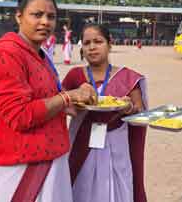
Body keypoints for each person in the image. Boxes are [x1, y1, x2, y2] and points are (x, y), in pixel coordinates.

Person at [0, 0, 96, 202]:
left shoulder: (39, 54)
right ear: (19, 17)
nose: (45, 22)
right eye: (37, 15)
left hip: (50, 157)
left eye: (51, 17)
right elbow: (19, 115)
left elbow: (42, 100)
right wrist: (68, 97)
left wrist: (67, 107)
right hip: (21, 165)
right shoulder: (7, 53)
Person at [62, 24, 148, 202]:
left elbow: (139, 110)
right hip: (81, 140)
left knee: (116, 187)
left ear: (110, 44)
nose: (92, 47)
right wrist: (73, 107)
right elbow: (62, 104)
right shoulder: (74, 76)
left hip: (116, 142)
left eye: (98, 41)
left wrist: (128, 107)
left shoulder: (127, 77)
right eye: (86, 43)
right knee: (81, 185)